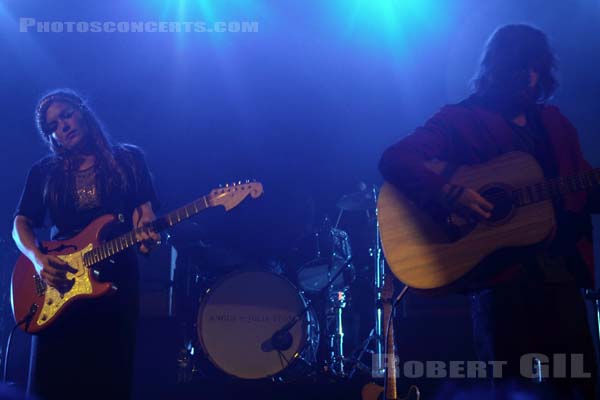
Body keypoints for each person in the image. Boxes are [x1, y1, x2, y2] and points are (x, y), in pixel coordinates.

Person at [379, 24, 599, 399]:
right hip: (500, 285)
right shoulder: (460, 119)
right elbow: (395, 159)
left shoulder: (556, 124)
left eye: (534, 66)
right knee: (512, 389)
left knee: (579, 388)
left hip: (561, 276)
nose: (528, 76)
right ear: (496, 68)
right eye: (518, 66)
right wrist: (449, 193)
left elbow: (583, 192)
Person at [12, 89, 160, 399]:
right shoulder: (44, 172)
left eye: (66, 115)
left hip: (115, 284)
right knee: (53, 383)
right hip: (59, 284)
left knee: (108, 379)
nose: (63, 126)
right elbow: (20, 224)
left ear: (82, 111)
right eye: (53, 126)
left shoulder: (129, 160)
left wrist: (146, 239)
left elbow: (144, 215)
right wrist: (38, 259)